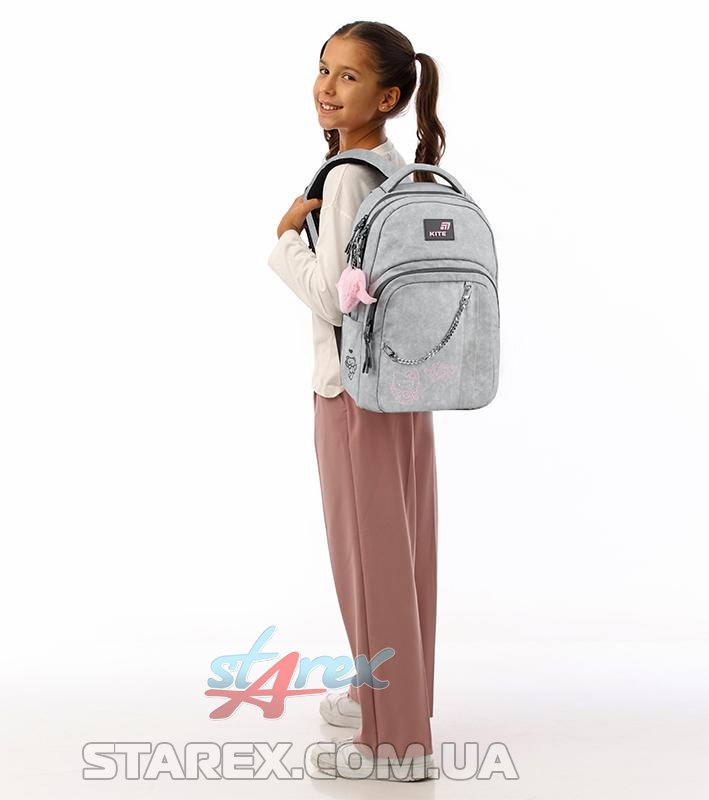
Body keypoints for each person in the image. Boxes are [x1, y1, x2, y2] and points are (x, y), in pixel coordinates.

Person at [267, 21, 446, 781]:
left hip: (353, 392)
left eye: (348, 76)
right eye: (324, 69)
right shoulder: (397, 167)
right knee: (403, 553)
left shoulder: (344, 178)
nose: (327, 87)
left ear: (388, 96)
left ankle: (396, 742)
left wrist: (286, 240)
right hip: (406, 386)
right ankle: (391, 703)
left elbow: (337, 300)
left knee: (368, 561)